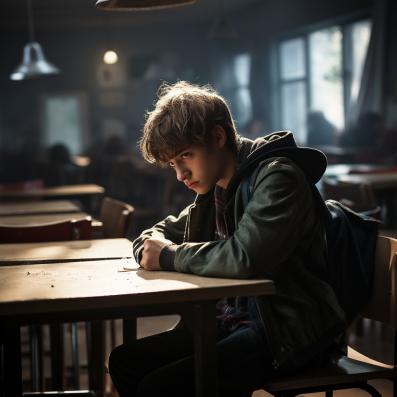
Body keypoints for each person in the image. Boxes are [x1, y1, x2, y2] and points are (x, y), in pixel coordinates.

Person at [108, 81, 347, 397]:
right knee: (125, 361)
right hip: (230, 320)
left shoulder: (276, 177)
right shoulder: (217, 186)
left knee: (160, 386)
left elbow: (244, 256)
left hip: (285, 328)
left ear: (218, 137)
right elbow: (155, 234)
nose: (180, 174)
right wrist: (151, 246)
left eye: (186, 156)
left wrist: (167, 255)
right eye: (172, 164)